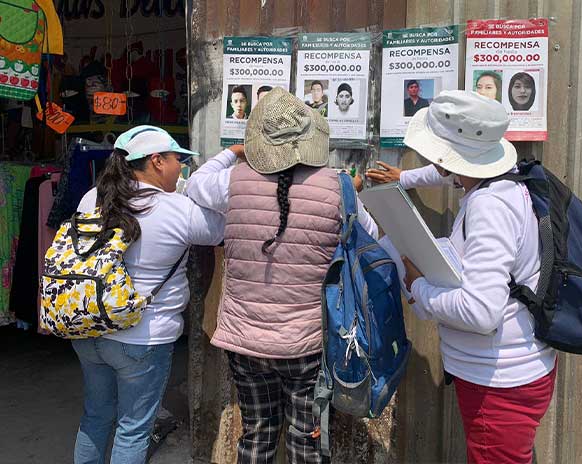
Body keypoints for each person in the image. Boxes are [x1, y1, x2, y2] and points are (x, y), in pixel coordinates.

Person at [185, 88, 377, 463]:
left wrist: (232, 153)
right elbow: (370, 241)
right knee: (308, 442)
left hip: (245, 340)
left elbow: (194, 184)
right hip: (308, 343)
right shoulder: (338, 189)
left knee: (257, 435)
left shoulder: (232, 182)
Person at [366, 91, 556, 464]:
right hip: (507, 373)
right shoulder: (501, 182)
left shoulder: (489, 206)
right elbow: (447, 176)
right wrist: (405, 177)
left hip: (499, 386)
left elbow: (481, 312)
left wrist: (418, 285)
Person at [71, 125, 225, 464]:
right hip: (142, 337)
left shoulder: (92, 197)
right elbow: (222, 227)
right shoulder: (177, 209)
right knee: (132, 429)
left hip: (88, 327)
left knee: (95, 416)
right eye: (177, 160)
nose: (182, 168)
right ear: (156, 161)